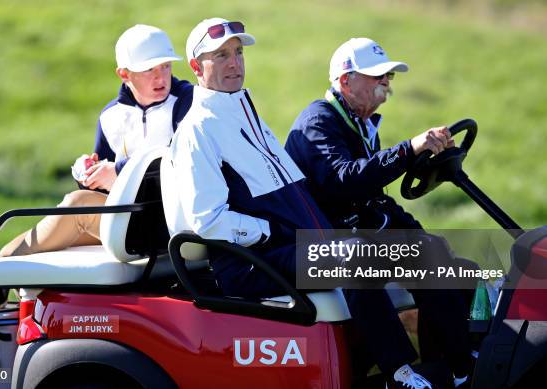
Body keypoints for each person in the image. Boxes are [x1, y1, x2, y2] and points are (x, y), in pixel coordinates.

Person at [162, 20, 433, 389]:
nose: (234, 63)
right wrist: (269, 230)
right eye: (221, 55)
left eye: (238, 53)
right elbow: (207, 221)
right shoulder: (197, 130)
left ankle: (450, 362)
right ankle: (398, 373)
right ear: (196, 67)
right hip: (251, 264)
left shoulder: (243, 111)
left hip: (289, 248)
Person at [285, 37, 473, 388]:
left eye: (388, 75)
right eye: (376, 75)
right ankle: (398, 373)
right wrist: (407, 150)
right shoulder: (318, 122)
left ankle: (461, 366)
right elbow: (346, 180)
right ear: (345, 82)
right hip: (322, 243)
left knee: (448, 260)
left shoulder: (361, 125)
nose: (386, 81)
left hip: (355, 233)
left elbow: (374, 198)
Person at [0, 24, 193, 311]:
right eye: (150, 70)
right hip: (131, 221)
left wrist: (118, 171)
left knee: (76, 206)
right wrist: (88, 173)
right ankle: (0, 271)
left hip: (167, 223)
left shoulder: (186, 100)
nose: (161, 77)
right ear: (124, 74)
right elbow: (102, 182)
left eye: (165, 66)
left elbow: (182, 160)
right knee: (73, 209)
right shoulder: (111, 116)